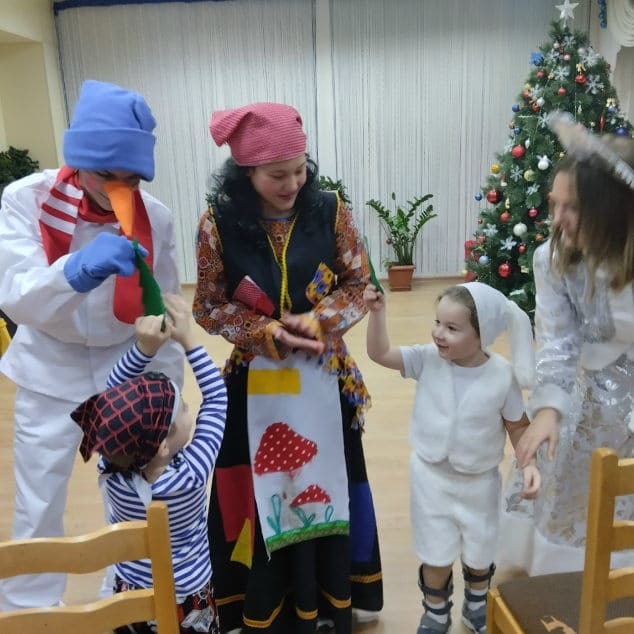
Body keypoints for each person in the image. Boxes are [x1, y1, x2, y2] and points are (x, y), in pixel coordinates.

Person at [193, 102, 383, 633]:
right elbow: (207, 305)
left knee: (329, 483)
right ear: (246, 172)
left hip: (324, 376)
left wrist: (319, 320)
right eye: (277, 175)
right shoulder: (218, 223)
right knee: (263, 492)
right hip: (255, 384)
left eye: (300, 170)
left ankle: (328, 599)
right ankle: (261, 603)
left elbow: (359, 285)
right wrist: (264, 332)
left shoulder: (330, 210)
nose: (293, 184)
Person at [0, 79, 183, 611]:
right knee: (38, 496)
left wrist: (168, 394)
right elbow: (16, 297)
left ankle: (130, 597)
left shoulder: (156, 217)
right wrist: (77, 270)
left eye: (132, 177)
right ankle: (29, 608)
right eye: (107, 174)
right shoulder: (25, 200)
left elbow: (165, 311)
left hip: (126, 364)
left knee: (132, 490)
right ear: (78, 158)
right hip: (47, 365)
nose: (118, 187)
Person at [363, 280, 540, 634]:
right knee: (435, 552)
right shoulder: (427, 359)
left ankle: (476, 604)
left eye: (452, 328)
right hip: (430, 479)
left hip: (480, 482)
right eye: (437, 323)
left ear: (482, 334)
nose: (438, 333)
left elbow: (518, 426)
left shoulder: (501, 376)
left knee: (480, 552)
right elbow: (380, 353)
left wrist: (529, 464)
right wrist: (377, 315)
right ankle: (435, 612)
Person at [500, 120, 634, 575]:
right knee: (569, 507)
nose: (557, 219)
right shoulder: (553, 259)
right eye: (554, 204)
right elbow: (558, 340)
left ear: (612, 210)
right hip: (586, 400)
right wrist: (548, 410)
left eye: (572, 207)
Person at [71, 293, 227, 633]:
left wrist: (143, 349)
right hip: (188, 600)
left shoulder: (112, 466)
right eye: (183, 409)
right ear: (162, 446)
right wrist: (189, 342)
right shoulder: (190, 476)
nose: (189, 409)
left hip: (131, 595)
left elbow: (113, 406)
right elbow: (217, 399)